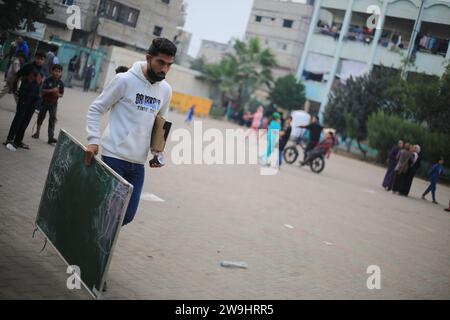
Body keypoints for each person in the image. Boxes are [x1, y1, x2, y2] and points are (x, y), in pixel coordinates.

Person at [86, 37, 176, 226]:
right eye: (161, 62)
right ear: (149, 57)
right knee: (107, 212)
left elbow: (160, 124)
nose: (165, 69)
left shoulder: (166, 90)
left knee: (126, 216)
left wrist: (157, 152)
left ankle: (89, 233)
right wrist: (93, 140)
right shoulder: (124, 80)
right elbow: (96, 109)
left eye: (169, 65)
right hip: (114, 157)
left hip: (137, 163)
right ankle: (87, 239)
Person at [3, 52, 46, 151]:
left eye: (42, 59)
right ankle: (9, 139)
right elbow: (17, 76)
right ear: (35, 58)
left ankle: (18, 140)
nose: (40, 60)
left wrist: (40, 100)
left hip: (35, 99)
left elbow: (41, 85)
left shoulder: (43, 70)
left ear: (44, 61)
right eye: (38, 58)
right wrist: (15, 88)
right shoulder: (28, 66)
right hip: (25, 96)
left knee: (27, 120)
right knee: (19, 118)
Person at [32, 64, 64, 144]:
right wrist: (51, 90)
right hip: (45, 102)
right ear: (52, 71)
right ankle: (37, 132)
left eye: (59, 72)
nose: (57, 73)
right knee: (41, 117)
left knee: (52, 119)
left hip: (54, 104)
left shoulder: (61, 83)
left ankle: (50, 137)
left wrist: (57, 94)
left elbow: (61, 94)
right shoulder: (47, 80)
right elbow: (42, 90)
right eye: (56, 71)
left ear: (61, 73)